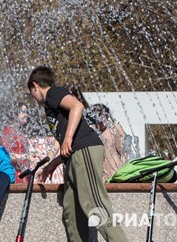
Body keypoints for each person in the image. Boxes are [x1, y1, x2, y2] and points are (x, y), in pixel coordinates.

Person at [28, 66, 127, 242]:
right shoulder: (51, 106)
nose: (33, 99)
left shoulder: (53, 93)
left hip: (85, 150)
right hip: (74, 157)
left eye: (31, 93)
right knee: (71, 211)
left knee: (94, 204)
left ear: (35, 86)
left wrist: (68, 138)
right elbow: (63, 143)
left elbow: (77, 106)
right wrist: (52, 163)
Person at [87, 104, 128, 181]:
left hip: (114, 172)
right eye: (97, 118)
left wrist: (121, 169)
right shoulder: (91, 131)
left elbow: (124, 152)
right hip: (99, 175)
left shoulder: (114, 129)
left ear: (107, 116)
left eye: (102, 117)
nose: (100, 122)